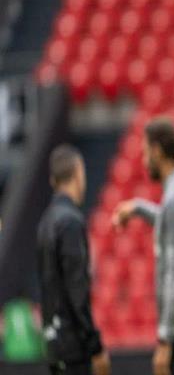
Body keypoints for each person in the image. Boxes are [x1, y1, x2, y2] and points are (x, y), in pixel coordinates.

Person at [112, 117, 174, 375]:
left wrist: (164, 339)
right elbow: (167, 219)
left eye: (145, 152)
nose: (143, 161)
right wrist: (137, 208)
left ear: (157, 151)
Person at [37, 145, 110, 375]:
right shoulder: (70, 222)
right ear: (78, 173)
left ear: (53, 180)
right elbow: (77, 292)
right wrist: (95, 346)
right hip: (74, 348)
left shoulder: (46, 221)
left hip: (53, 344)